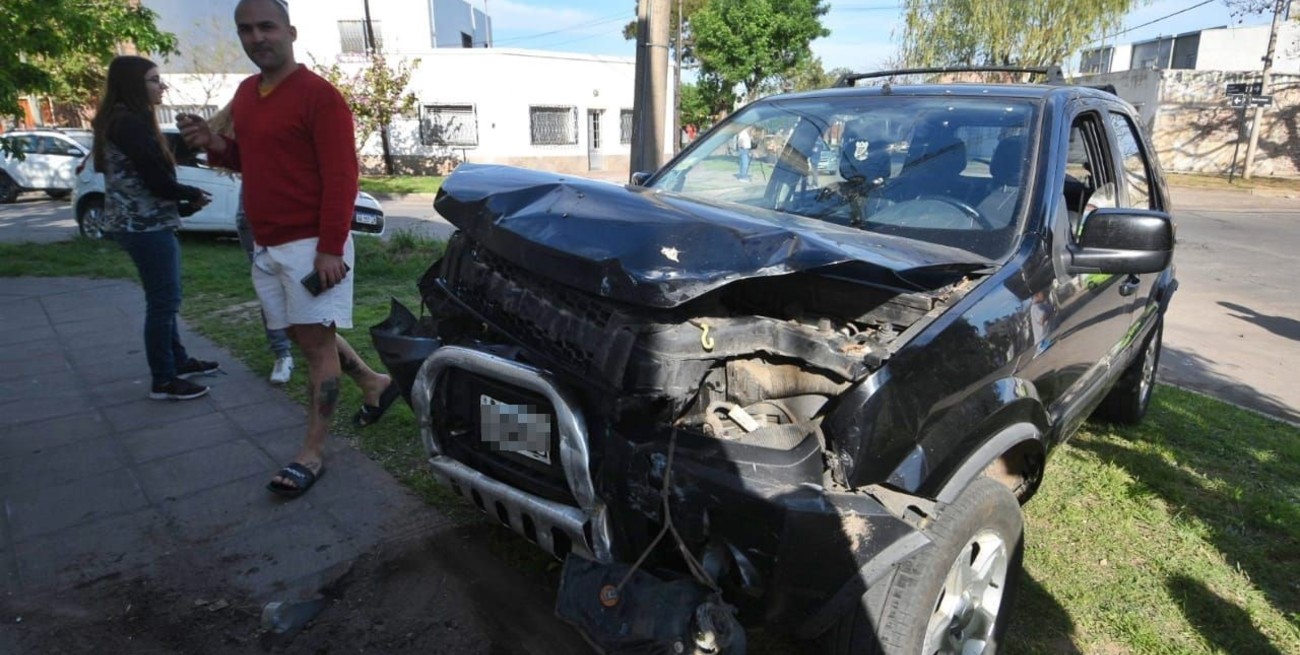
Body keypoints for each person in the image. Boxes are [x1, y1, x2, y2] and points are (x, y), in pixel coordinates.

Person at [179, 0, 396, 498]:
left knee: (316, 346)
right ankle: (373, 383)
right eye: (246, 29)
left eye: (266, 26)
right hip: (268, 241)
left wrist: (330, 248)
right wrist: (214, 142)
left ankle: (312, 453)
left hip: (310, 246)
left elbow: (343, 178)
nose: (257, 37)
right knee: (307, 335)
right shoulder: (246, 94)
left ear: (290, 32)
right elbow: (248, 159)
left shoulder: (320, 97)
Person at [92, 55, 219, 401]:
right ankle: (164, 380)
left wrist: (182, 205)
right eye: (154, 79)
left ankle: (177, 361)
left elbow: (148, 180)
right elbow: (155, 178)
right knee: (163, 303)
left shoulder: (123, 121)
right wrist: (190, 194)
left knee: (164, 300)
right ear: (134, 85)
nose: (162, 85)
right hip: (143, 227)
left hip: (143, 223)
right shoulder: (127, 123)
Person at [207, 104, 294, 385]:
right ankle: (283, 354)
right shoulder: (257, 121)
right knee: (271, 290)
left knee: (301, 289)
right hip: (257, 219)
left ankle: (307, 346)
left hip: (289, 219)